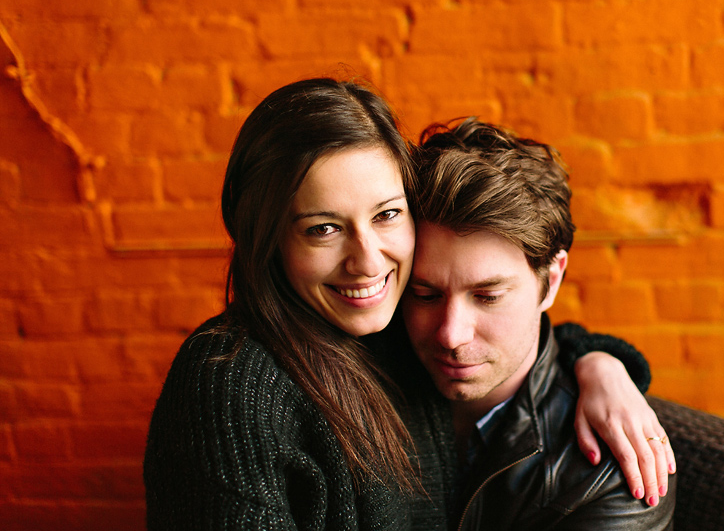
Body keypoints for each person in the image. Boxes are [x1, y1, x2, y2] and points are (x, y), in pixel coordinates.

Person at [144, 78, 670, 530]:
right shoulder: (235, 380)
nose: (368, 262)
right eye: (323, 228)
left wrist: (601, 364)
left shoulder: (379, 334)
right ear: (268, 238)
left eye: (387, 215)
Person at [397, 118, 676, 530]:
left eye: (488, 296)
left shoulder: (609, 476)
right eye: (425, 295)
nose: (451, 335)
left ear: (553, 278)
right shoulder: (364, 374)